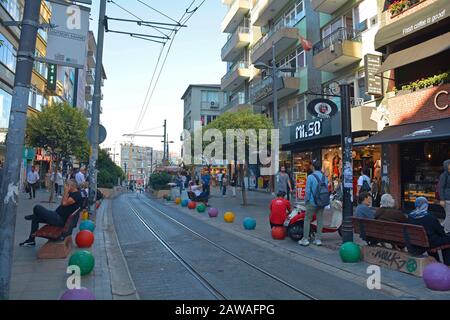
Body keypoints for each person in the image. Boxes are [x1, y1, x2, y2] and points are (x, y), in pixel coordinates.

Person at [19, 179, 82, 247]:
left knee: (37, 207)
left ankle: (34, 216)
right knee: (35, 219)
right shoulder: (72, 194)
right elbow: (62, 204)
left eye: (66, 184)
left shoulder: (76, 195)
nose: (65, 186)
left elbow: (63, 203)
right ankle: (31, 241)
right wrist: (67, 193)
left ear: (71, 186)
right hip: (56, 216)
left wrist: (66, 192)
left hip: (59, 219)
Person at [408, 197, 450, 265]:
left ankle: (436, 262)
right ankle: (447, 265)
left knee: (434, 237)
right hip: (429, 243)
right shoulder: (430, 217)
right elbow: (441, 232)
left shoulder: (410, 216)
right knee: (447, 239)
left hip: (417, 241)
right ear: (426, 205)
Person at [299, 160, 328, 247]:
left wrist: (306, 201)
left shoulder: (310, 177)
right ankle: (318, 239)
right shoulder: (324, 177)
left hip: (312, 202)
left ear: (313, 167)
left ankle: (305, 239)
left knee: (307, 219)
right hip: (321, 201)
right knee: (320, 220)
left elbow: (307, 191)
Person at [439, 159, 450, 234]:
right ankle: (447, 230)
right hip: (447, 199)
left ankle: (442, 226)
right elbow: (441, 188)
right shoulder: (444, 175)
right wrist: (442, 199)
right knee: (449, 215)